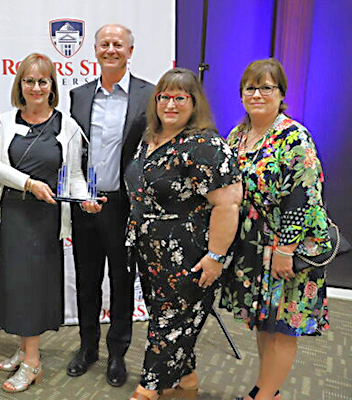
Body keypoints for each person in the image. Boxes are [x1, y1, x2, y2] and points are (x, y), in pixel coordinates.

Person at [82, 68, 242, 400]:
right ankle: (186, 383)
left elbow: (227, 205)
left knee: (167, 326)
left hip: (190, 256)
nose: (170, 104)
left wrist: (215, 257)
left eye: (179, 97)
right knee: (169, 320)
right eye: (163, 97)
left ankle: (148, 389)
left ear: (194, 102)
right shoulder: (148, 138)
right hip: (151, 256)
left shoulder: (206, 145)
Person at [220, 59, 331, 400]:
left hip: (289, 246)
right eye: (250, 88)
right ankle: (268, 390)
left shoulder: (295, 136)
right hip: (253, 244)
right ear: (241, 94)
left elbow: (305, 196)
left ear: (281, 94)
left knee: (284, 325)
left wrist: (285, 249)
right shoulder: (238, 134)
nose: (257, 94)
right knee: (264, 320)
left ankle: (263, 395)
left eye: (266, 87)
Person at [0, 53, 90, 393]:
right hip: (14, 215)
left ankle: (32, 363)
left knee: (33, 290)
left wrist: (84, 198)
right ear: (20, 85)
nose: (35, 87)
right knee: (17, 287)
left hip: (45, 222)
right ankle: (24, 347)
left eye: (42, 81)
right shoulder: (6, 121)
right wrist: (29, 183)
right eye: (28, 81)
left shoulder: (68, 126)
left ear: (52, 87)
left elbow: (72, 176)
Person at [67, 23, 155, 387]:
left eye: (118, 44)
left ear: (130, 51)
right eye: (104, 44)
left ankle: (117, 352)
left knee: (122, 280)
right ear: (96, 50)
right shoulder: (78, 95)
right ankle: (88, 348)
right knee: (87, 280)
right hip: (84, 202)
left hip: (124, 205)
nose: (111, 49)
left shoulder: (149, 95)